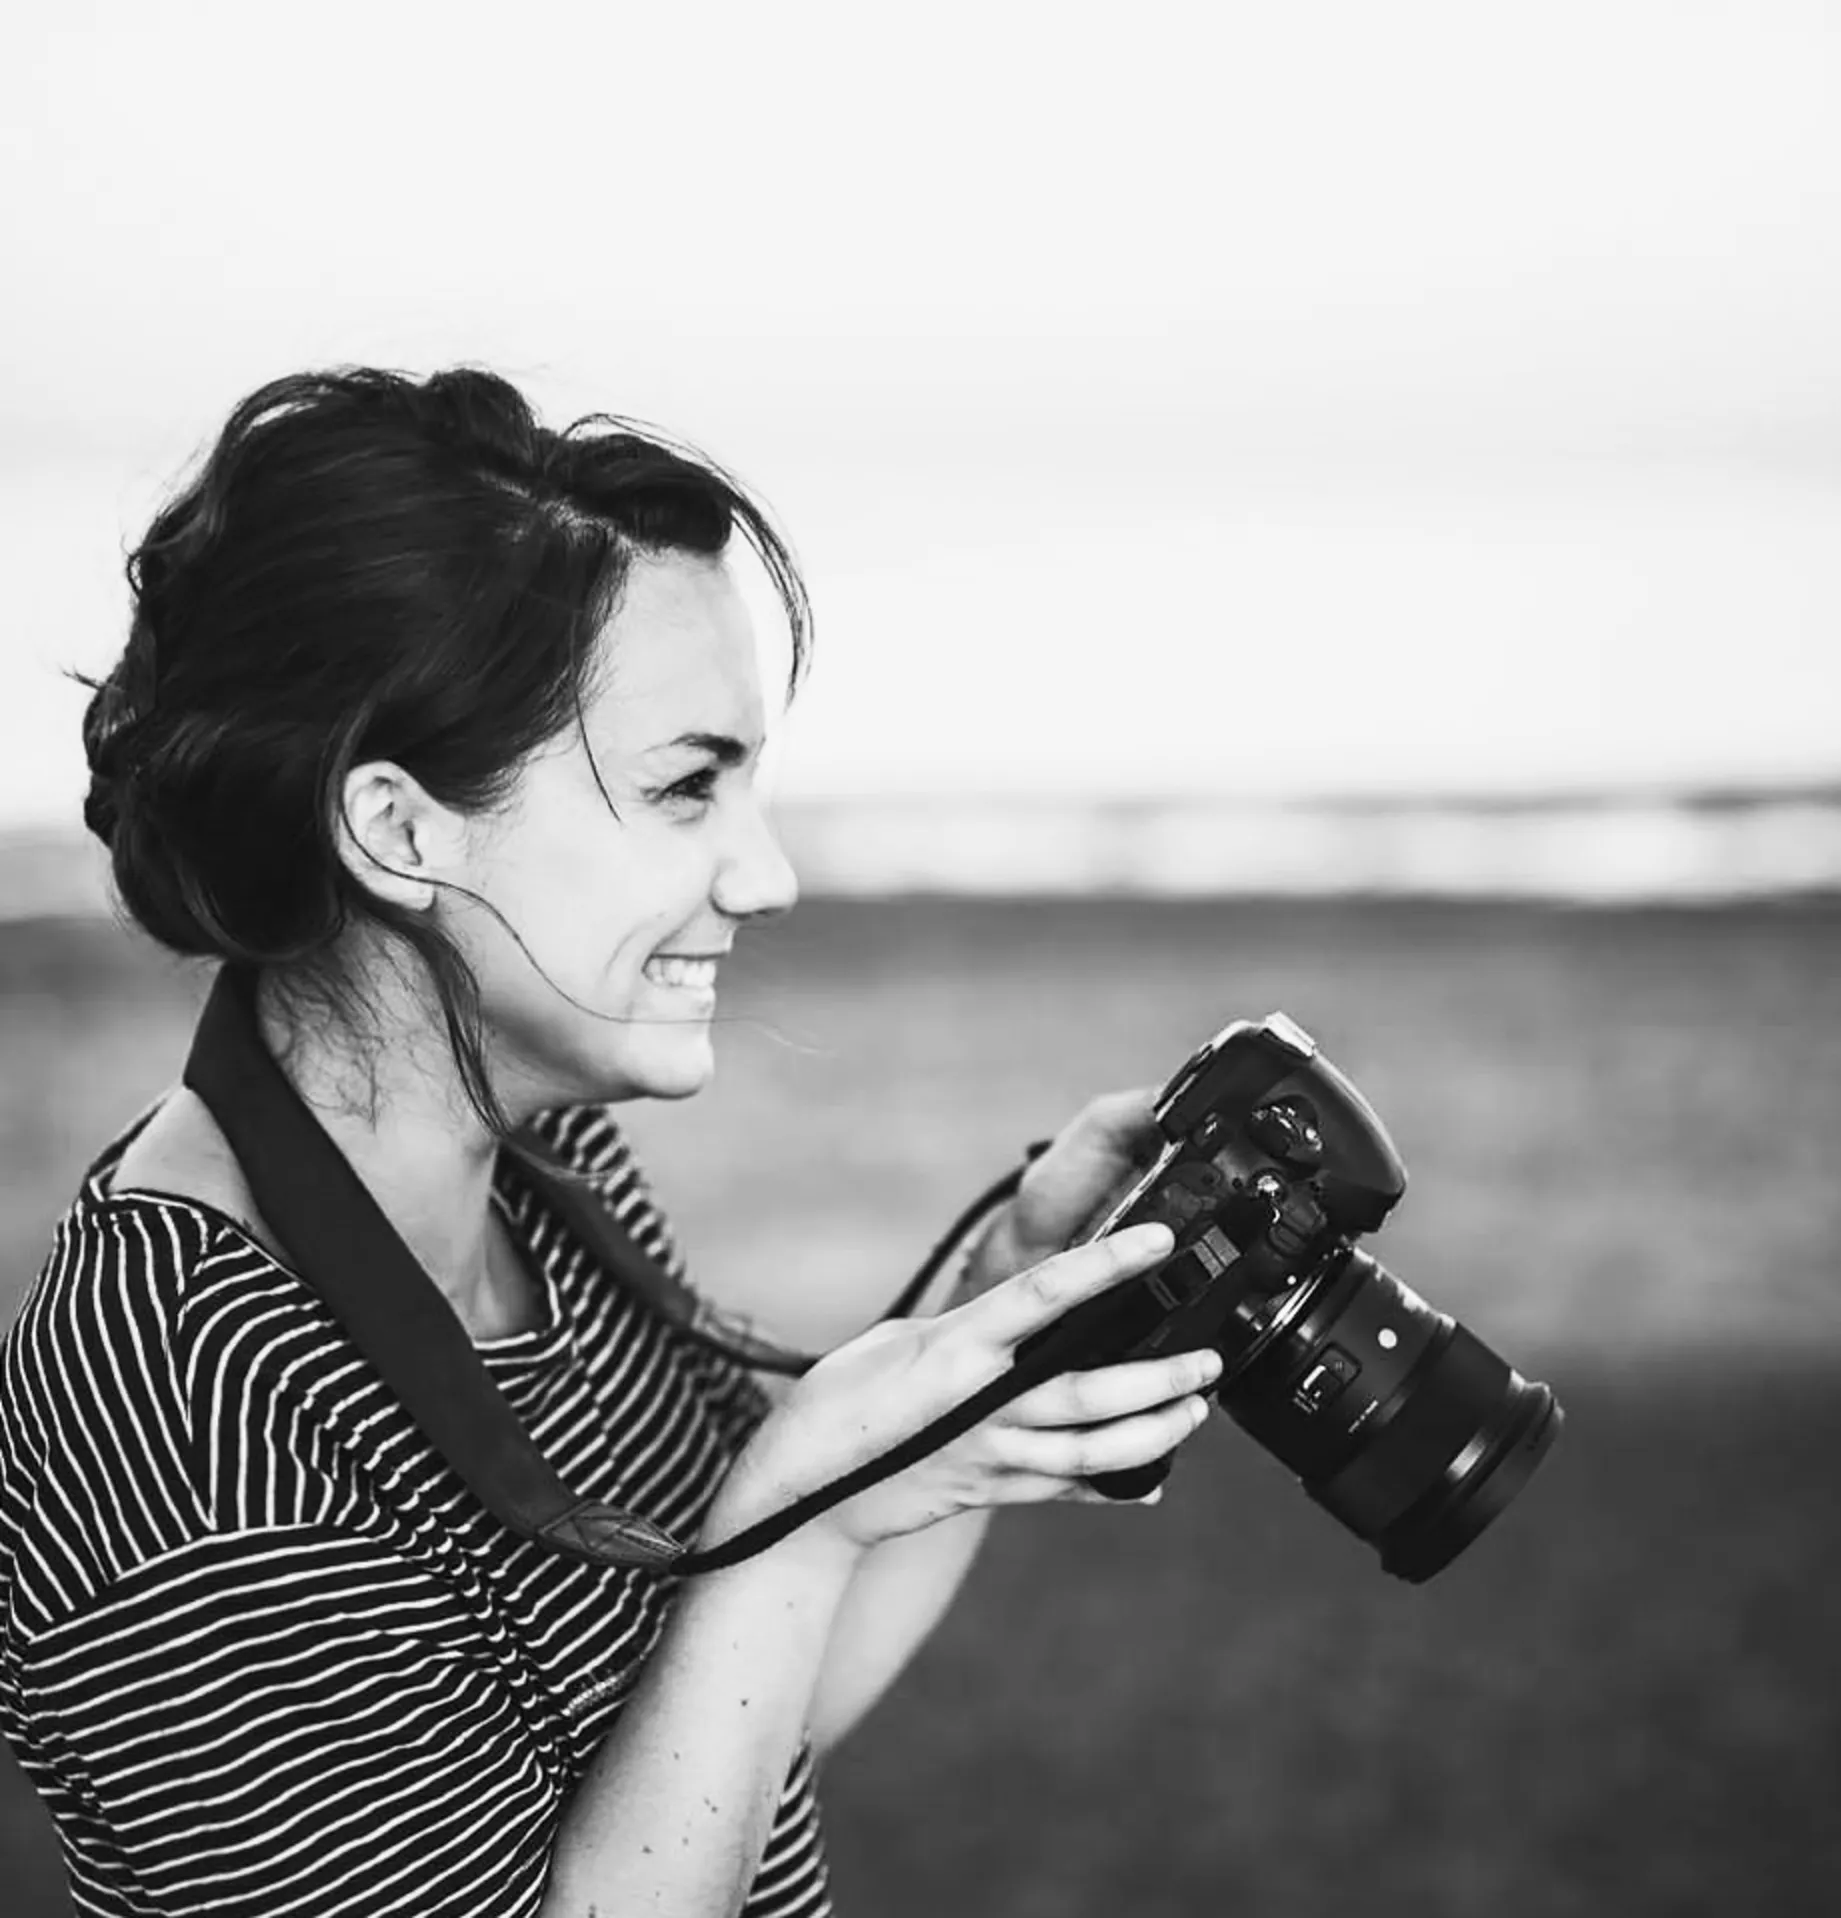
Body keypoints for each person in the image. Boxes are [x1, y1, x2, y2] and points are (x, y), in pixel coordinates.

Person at [0, 366, 1220, 1917]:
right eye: (685, 785)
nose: (764, 875)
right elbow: (763, 1612)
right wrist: (799, 1517)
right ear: (397, 828)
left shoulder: (550, 1167)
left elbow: (738, 1726)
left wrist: (1013, 1290)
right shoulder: (185, 1433)